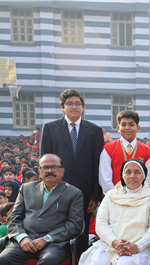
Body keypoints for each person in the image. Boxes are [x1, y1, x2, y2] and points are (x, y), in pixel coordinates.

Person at [39, 88, 104, 254]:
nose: (74, 107)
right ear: (62, 107)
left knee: (81, 232)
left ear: (82, 107)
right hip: (58, 189)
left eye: (78, 103)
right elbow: (45, 162)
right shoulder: (50, 128)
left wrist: (95, 195)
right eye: (69, 103)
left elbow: (98, 164)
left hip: (85, 191)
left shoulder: (94, 130)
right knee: (57, 228)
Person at [99, 110, 150, 195]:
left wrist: (138, 195)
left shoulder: (147, 151)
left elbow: (149, 178)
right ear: (118, 128)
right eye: (123, 125)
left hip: (140, 198)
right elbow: (105, 178)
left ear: (138, 128)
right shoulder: (108, 149)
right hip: (115, 198)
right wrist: (117, 196)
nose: (127, 128)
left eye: (131, 125)